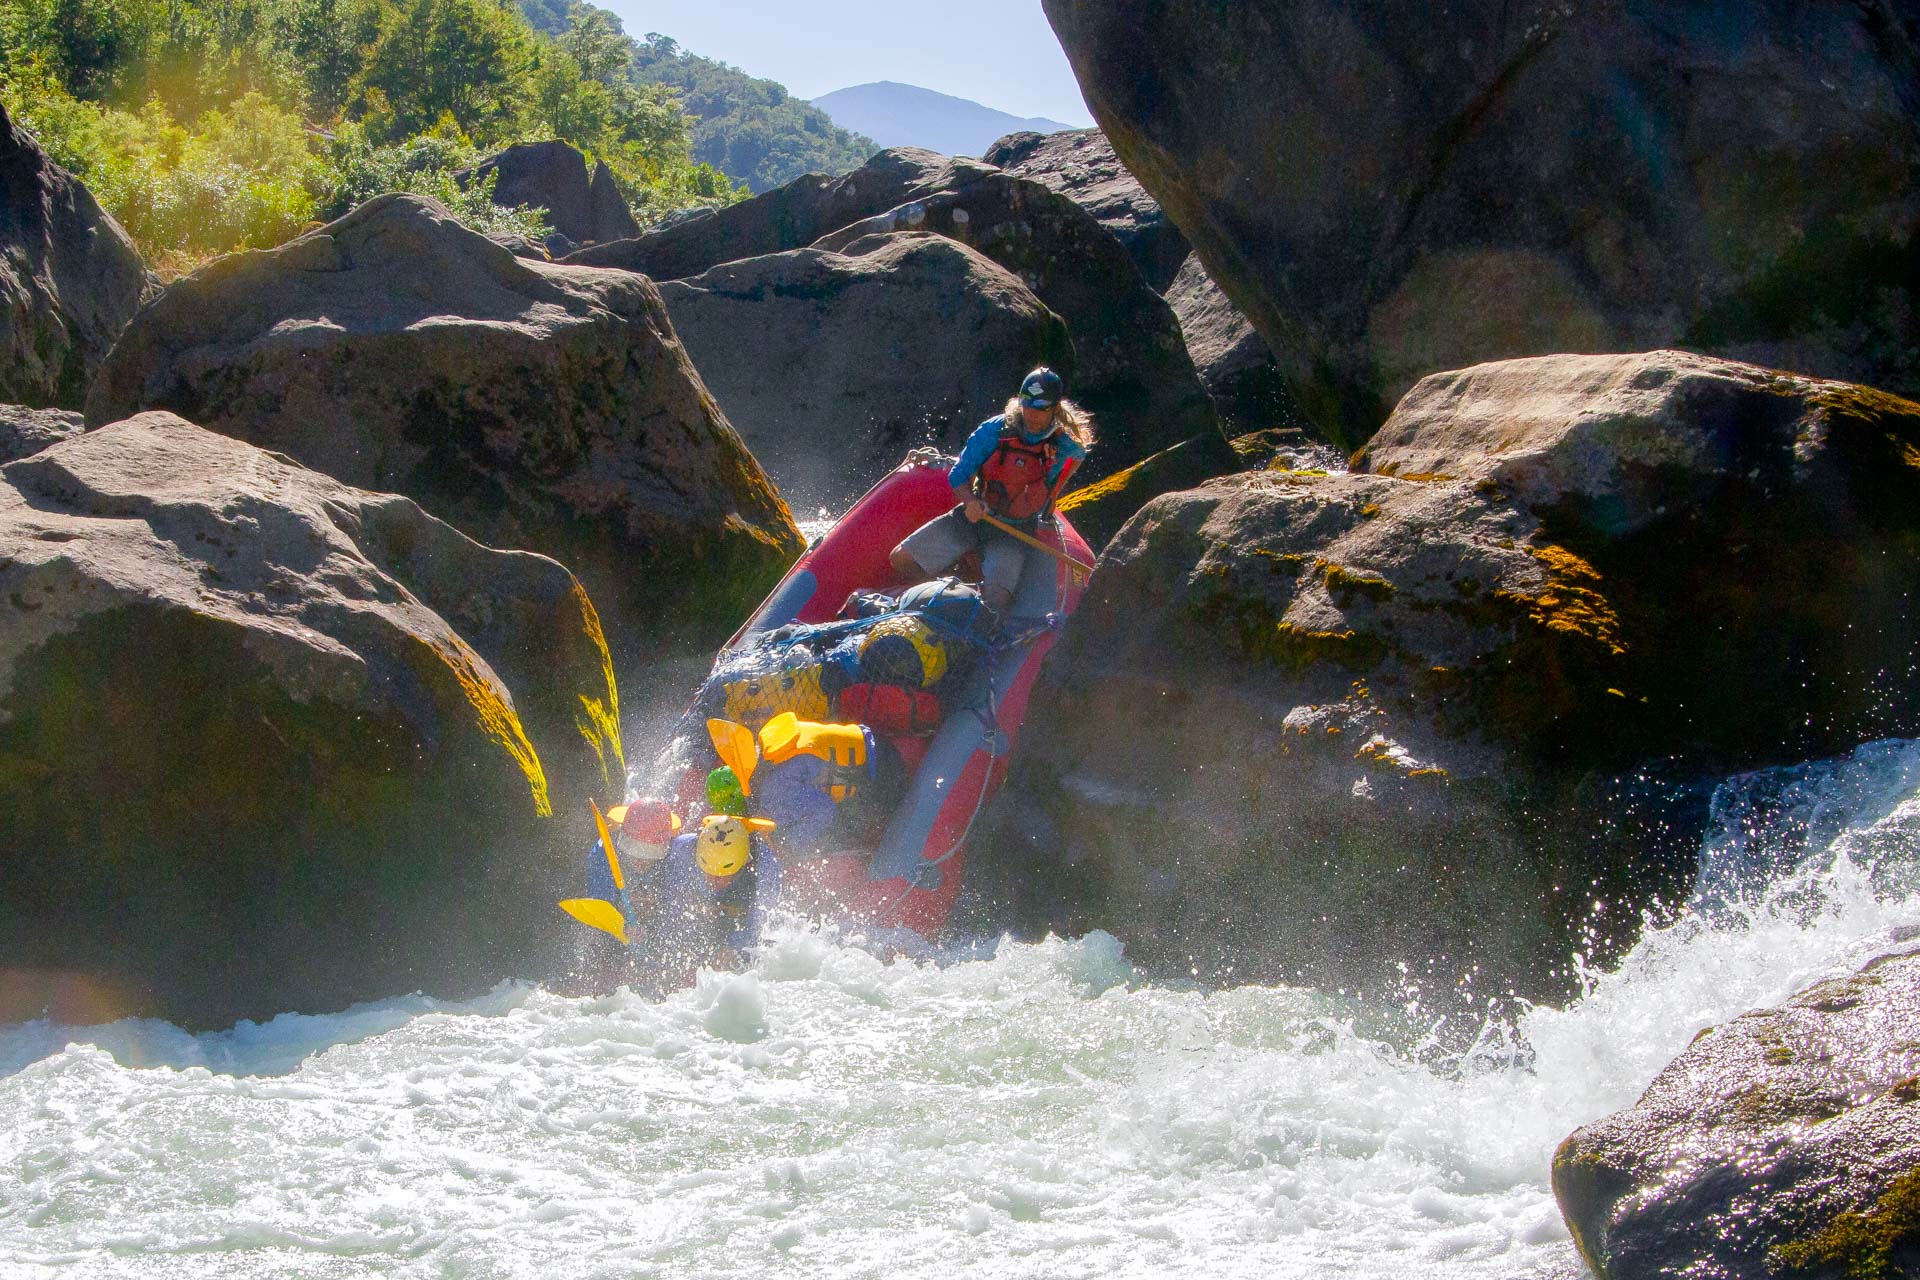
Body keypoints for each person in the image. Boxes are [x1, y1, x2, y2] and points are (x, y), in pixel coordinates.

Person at [889, 367, 1095, 621]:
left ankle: (972, 614)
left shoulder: (1064, 445)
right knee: (902, 559)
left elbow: (1075, 460)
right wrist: (970, 501)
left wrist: (1051, 498)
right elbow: (959, 474)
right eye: (1027, 405)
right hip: (977, 517)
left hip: (1015, 532)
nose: (1032, 414)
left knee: (997, 599)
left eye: (1041, 408)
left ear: (1055, 409)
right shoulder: (994, 430)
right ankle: (943, 598)